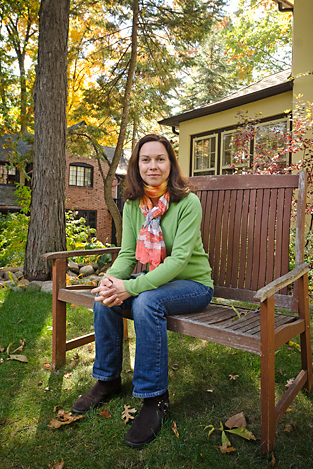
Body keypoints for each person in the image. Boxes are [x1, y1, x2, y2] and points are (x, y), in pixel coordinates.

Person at [72, 134, 214, 447]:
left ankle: (155, 399)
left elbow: (178, 262)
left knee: (145, 302)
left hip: (194, 286)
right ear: (137, 166)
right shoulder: (135, 204)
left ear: (171, 164)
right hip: (158, 283)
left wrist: (131, 286)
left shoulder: (187, 203)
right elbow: (126, 254)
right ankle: (107, 380)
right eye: (145, 160)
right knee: (105, 298)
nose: (153, 166)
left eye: (160, 159)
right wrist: (111, 280)